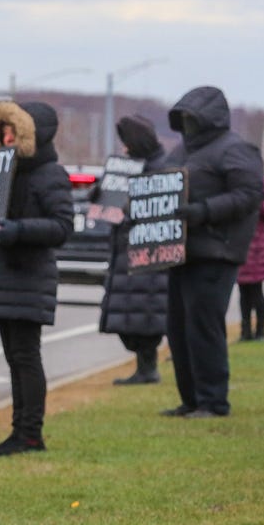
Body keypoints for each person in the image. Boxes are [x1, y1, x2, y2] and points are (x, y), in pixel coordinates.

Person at [0, 100, 76, 455]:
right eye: (2, 132)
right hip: (2, 275)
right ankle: (20, 431)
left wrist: (17, 230)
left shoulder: (50, 174)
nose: (6, 139)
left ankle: (30, 433)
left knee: (25, 356)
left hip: (29, 276)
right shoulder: (0, 172)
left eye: (13, 132)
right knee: (14, 357)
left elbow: (62, 226)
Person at [162, 86, 264, 419]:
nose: (187, 124)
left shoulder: (236, 150)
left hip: (216, 251)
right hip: (180, 251)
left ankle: (213, 401)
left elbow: (249, 194)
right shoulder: (181, 151)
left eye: (191, 118)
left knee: (204, 327)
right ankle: (191, 398)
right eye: (183, 118)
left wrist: (204, 211)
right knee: (178, 328)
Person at [95, 114, 169, 384]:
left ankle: (147, 368)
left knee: (144, 314)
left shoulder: (161, 169)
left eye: (126, 142)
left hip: (147, 254)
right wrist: (101, 194)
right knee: (132, 315)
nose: (124, 148)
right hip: (125, 251)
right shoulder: (130, 167)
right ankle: (145, 368)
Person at [237, 174, 264, 339]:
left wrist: (257, 199)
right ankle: (245, 331)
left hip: (260, 247)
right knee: (243, 291)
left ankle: (261, 330)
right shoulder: (237, 183)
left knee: (256, 290)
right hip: (242, 243)